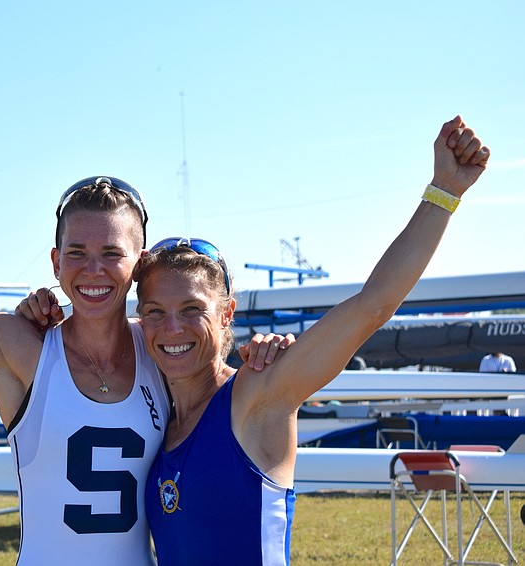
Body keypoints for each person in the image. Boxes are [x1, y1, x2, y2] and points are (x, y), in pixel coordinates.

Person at [0, 108, 289, 565]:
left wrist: (269, 352)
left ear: (138, 264)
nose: (93, 269)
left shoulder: (161, 350)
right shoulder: (20, 346)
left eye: (111, 253)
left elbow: (225, 385)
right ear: (56, 262)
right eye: (77, 252)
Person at [133, 116, 489, 565]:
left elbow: (372, 306)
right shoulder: (156, 417)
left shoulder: (258, 393)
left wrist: (445, 192)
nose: (172, 328)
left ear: (226, 315)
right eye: (155, 312)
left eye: (191, 310)